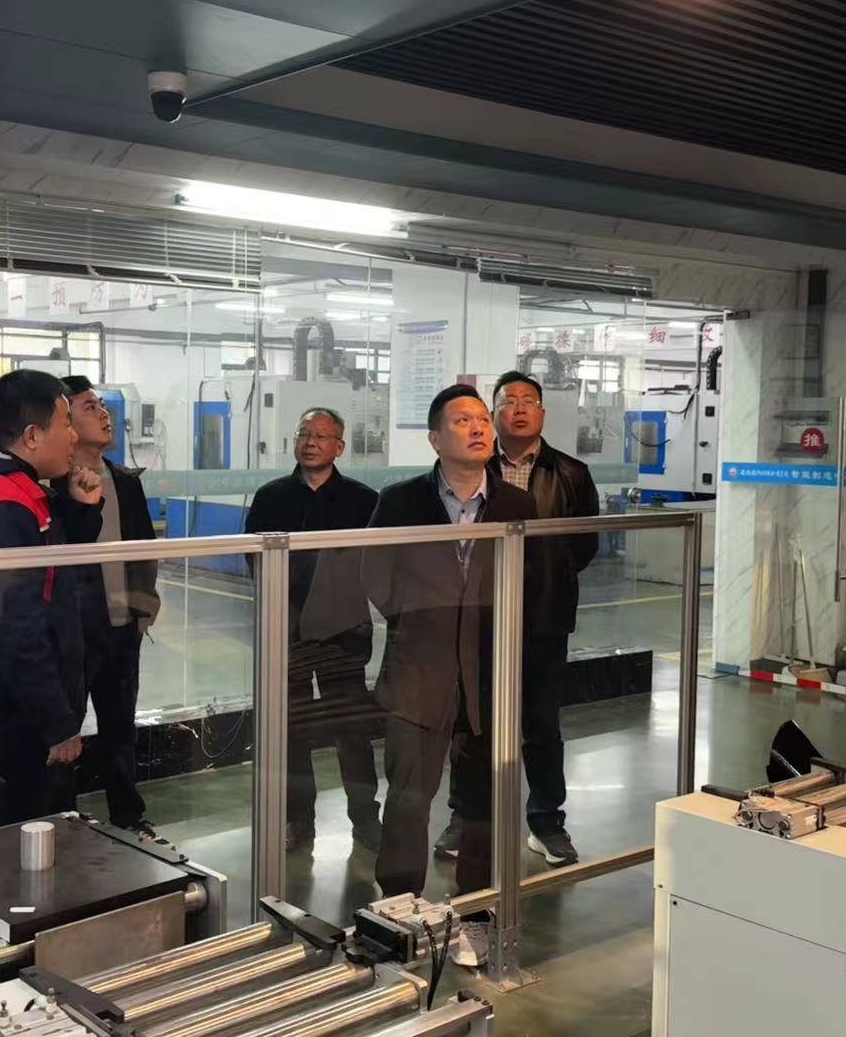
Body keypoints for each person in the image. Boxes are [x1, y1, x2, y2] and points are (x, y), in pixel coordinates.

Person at [362, 384, 537, 968]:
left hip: (490, 675)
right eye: (463, 420)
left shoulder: (516, 505)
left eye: (483, 418)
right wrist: (418, 622)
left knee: (485, 804)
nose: (479, 427)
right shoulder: (400, 501)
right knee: (409, 801)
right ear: (436, 438)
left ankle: (477, 914)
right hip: (419, 671)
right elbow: (376, 573)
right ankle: (399, 912)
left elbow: (534, 580)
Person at [435, 371, 600, 867]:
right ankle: (466, 818)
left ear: (543, 413)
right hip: (478, 618)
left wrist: (546, 580)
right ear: (495, 414)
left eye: (530, 401)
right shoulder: (472, 465)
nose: (520, 408)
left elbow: (584, 545)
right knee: (471, 723)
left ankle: (547, 822)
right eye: (509, 401)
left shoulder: (571, 473)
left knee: (541, 724)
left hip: (543, 620)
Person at [0, 370, 104, 831]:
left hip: (22, 713)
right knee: (14, 850)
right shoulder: (1, 505)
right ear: (32, 435)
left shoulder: (22, 494)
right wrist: (57, 723)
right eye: (65, 423)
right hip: (16, 720)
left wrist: (78, 510)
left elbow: (53, 579)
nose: (74, 436)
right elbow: (16, 627)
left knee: (32, 845)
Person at [245, 407, 381, 853]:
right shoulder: (270, 498)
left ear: (339, 447)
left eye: (321, 436)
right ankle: (299, 821)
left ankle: (366, 819)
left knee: (352, 731)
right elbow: (254, 560)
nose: (310, 442)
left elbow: (376, 564)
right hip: (287, 633)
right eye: (304, 434)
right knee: (292, 732)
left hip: (344, 632)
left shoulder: (363, 500)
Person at [60, 375, 163, 841]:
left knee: (121, 727)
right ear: (64, 420)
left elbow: (144, 550)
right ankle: (61, 820)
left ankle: (129, 817)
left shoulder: (124, 481)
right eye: (90, 407)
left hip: (122, 626)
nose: (104, 415)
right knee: (64, 730)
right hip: (74, 630)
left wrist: (144, 606)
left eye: (103, 406)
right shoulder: (52, 486)